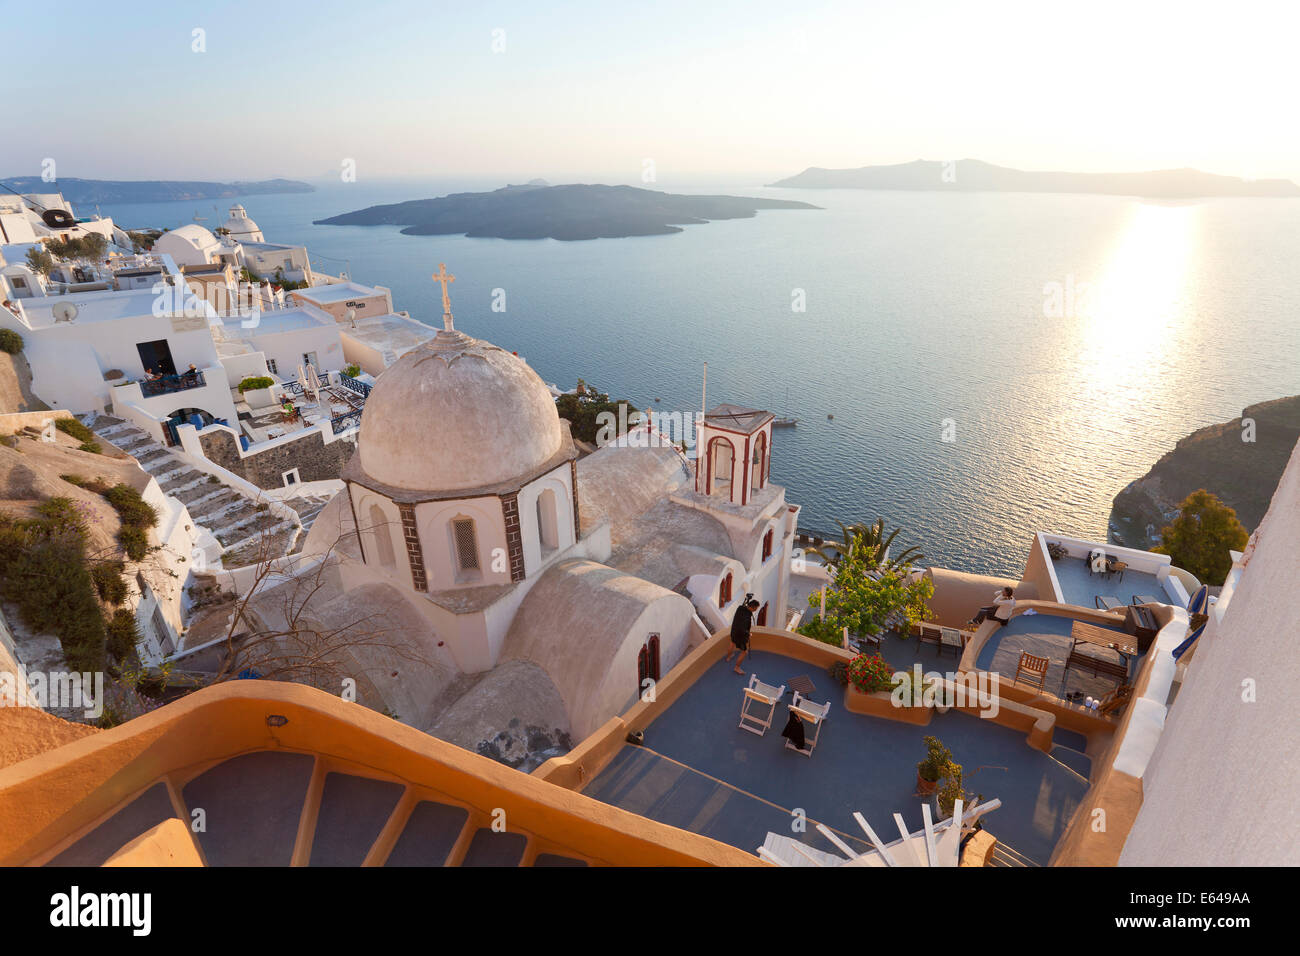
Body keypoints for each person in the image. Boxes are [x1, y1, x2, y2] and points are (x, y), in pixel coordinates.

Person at [724, 596, 761, 674]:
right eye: (755, 609)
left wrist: (747, 599)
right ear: (752, 607)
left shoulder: (740, 608)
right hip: (740, 636)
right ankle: (737, 667)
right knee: (744, 652)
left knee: (732, 643)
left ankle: (728, 657)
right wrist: (748, 634)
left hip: (733, 632)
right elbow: (742, 628)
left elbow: (744, 604)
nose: (755, 610)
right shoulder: (747, 617)